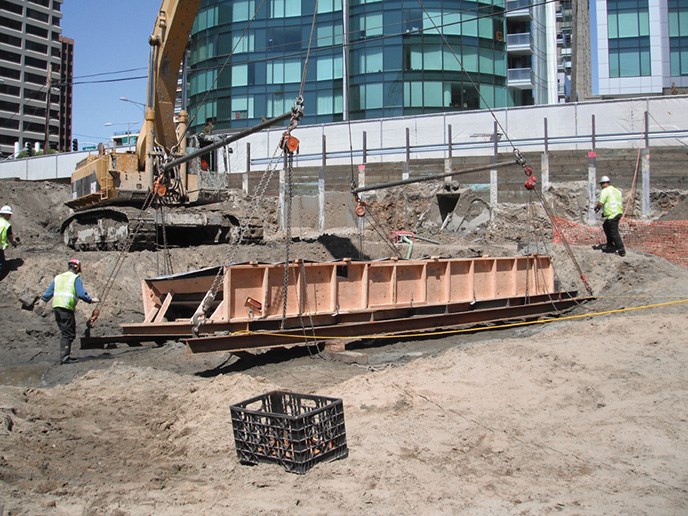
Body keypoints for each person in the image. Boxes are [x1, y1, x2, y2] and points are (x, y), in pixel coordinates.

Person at [39, 258, 99, 364]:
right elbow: (81, 294)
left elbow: (49, 292)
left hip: (57, 307)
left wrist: (43, 301)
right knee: (68, 334)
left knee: (65, 332)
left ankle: (65, 356)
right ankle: (65, 358)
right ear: (77, 267)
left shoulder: (58, 277)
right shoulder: (75, 278)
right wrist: (90, 300)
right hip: (66, 308)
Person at [594, 175, 626, 257]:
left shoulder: (605, 190)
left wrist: (597, 208)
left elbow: (601, 202)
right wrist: (605, 213)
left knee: (614, 232)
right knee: (606, 226)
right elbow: (612, 202)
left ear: (604, 183)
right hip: (617, 212)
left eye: (601, 184)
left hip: (613, 214)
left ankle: (621, 250)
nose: (601, 186)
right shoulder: (617, 191)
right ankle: (610, 245)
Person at [0, 205, 19, 279]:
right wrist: (13, 242)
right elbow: (10, 236)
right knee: (1, 264)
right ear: (5, 214)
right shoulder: (6, 225)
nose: (10, 216)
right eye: (9, 215)